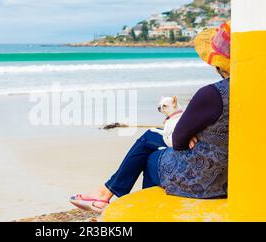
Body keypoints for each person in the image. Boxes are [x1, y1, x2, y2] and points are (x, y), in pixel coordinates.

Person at [70, 21, 232, 213]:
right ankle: (103, 194)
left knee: (151, 157)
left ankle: (126, 205)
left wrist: (188, 135)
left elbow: (179, 140)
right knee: (150, 136)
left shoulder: (213, 94)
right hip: (235, 176)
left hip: (207, 181)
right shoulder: (259, 91)